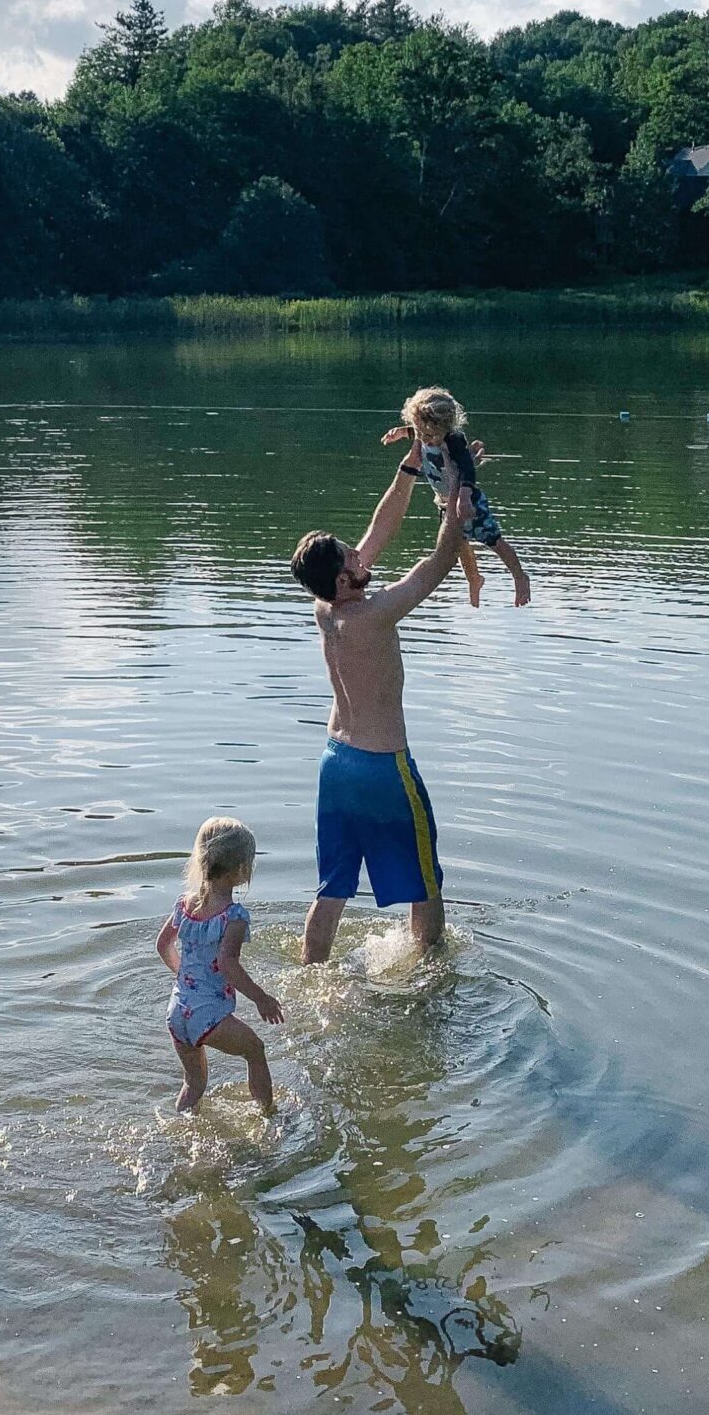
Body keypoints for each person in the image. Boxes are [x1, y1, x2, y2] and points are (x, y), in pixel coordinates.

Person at [289, 439, 467, 963]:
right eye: (350, 556)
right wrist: (456, 494)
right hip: (383, 767)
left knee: (334, 886)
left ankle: (312, 972)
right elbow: (438, 563)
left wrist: (414, 464)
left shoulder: (327, 609)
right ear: (344, 579)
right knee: (425, 879)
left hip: (335, 763)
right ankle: (430, 969)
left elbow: (381, 527)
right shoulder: (376, 615)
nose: (360, 552)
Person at [156, 817, 284, 1112]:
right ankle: (270, 1116)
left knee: (194, 1084)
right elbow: (227, 964)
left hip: (177, 1010)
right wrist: (261, 998)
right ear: (242, 869)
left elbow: (163, 945)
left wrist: (185, 977)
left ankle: (183, 1128)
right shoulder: (234, 917)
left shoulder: (185, 905)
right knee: (255, 1051)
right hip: (207, 1015)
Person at [384, 383, 532, 608]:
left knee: (494, 541)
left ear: (446, 427)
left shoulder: (453, 441)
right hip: (444, 503)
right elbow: (417, 432)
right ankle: (474, 579)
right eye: (420, 432)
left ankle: (520, 577)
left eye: (431, 435)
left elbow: (467, 468)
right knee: (458, 544)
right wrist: (402, 432)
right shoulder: (424, 433)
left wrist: (464, 496)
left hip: (467, 501)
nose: (425, 439)